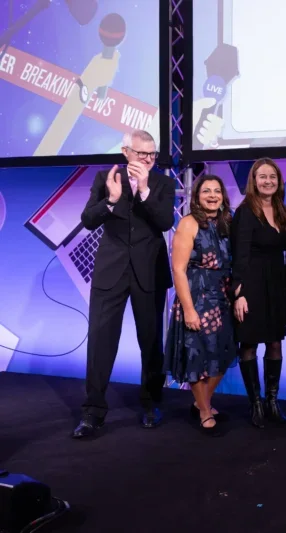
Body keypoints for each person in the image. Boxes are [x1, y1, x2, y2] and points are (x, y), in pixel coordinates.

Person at [72, 130, 175, 439]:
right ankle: (92, 412)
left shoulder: (163, 183)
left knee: (150, 341)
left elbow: (165, 222)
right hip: (110, 272)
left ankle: (150, 403)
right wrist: (111, 201)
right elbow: (88, 219)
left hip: (149, 271)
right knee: (101, 342)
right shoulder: (106, 178)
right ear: (126, 152)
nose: (148, 160)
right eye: (142, 154)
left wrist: (144, 189)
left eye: (152, 155)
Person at [164, 175, 237, 436]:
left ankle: (200, 401)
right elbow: (178, 269)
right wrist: (189, 309)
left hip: (223, 297)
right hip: (197, 296)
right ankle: (205, 410)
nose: (213, 195)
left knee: (224, 353)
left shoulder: (227, 223)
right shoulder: (188, 223)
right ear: (196, 196)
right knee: (198, 356)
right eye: (206, 191)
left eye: (217, 191)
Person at [232, 158, 286, 428]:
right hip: (251, 285)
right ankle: (255, 403)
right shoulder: (245, 211)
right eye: (262, 176)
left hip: (276, 284)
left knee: (276, 342)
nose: (268, 181)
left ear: (279, 181)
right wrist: (239, 292)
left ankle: (272, 401)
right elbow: (239, 254)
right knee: (249, 344)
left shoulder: (281, 210)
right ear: (253, 181)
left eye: (272, 177)